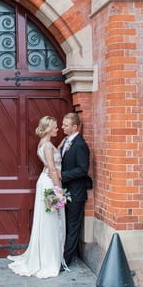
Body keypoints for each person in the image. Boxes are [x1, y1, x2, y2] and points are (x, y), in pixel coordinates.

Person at [7, 116, 66, 278]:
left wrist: (60, 146)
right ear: (48, 129)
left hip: (44, 180)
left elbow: (51, 159)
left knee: (48, 220)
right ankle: (48, 260)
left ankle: (47, 256)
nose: (57, 129)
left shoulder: (44, 144)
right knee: (51, 221)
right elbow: (53, 169)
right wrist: (59, 190)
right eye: (55, 127)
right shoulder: (47, 146)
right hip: (50, 182)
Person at [59, 112, 91, 267]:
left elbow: (82, 169)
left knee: (72, 226)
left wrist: (61, 175)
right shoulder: (66, 141)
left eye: (65, 125)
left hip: (76, 192)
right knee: (64, 223)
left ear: (75, 127)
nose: (62, 127)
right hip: (65, 191)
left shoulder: (80, 144)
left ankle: (66, 260)